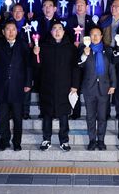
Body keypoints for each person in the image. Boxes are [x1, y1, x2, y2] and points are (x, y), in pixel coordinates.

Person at [0, 21, 32, 151]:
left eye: (13, 29)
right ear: (3, 32)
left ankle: (17, 142)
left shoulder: (23, 45)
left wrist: (28, 82)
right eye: (8, 29)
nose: (10, 32)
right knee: (3, 117)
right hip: (2, 86)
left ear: (17, 31)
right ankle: (4, 141)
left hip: (18, 85)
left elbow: (28, 65)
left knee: (17, 117)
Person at [34, 22, 79, 152]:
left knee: (64, 115)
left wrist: (75, 85)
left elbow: (75, 68)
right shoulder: (43, 47)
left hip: (65, 87)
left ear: (64, 32)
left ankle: (64, 140)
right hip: (47, 86)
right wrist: (35, 54)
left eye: (60, 29)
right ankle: (46, 139)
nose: (57, 31)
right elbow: (37, 67)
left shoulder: (71, 48)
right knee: (47, 114)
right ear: (51, 32)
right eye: (54, 29)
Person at [79, 27, 116, 151]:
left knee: (102, 116)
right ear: (88, 37)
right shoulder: (83, 49)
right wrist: (85, 54)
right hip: (89, 88)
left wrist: (113, 84)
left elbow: (112, 69)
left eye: (97, 35)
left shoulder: (108, 50)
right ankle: (92, 140)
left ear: (101, 36)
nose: (95, 37)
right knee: (90, 116)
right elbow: (79, 65)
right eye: (92, 35)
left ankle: (101, 140)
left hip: (104, 88)